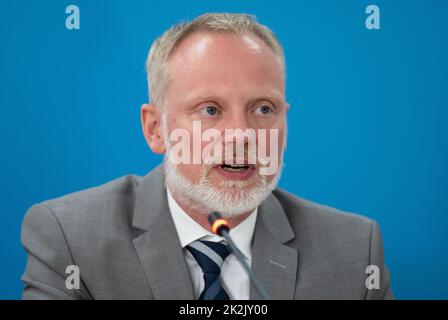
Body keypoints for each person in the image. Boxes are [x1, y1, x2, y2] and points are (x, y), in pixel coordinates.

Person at [21, 13, 393, 300]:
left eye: (263, 109)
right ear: (156, 129)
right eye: (210, 110)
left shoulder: (356, 251)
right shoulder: (68, 238)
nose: (241, 135)